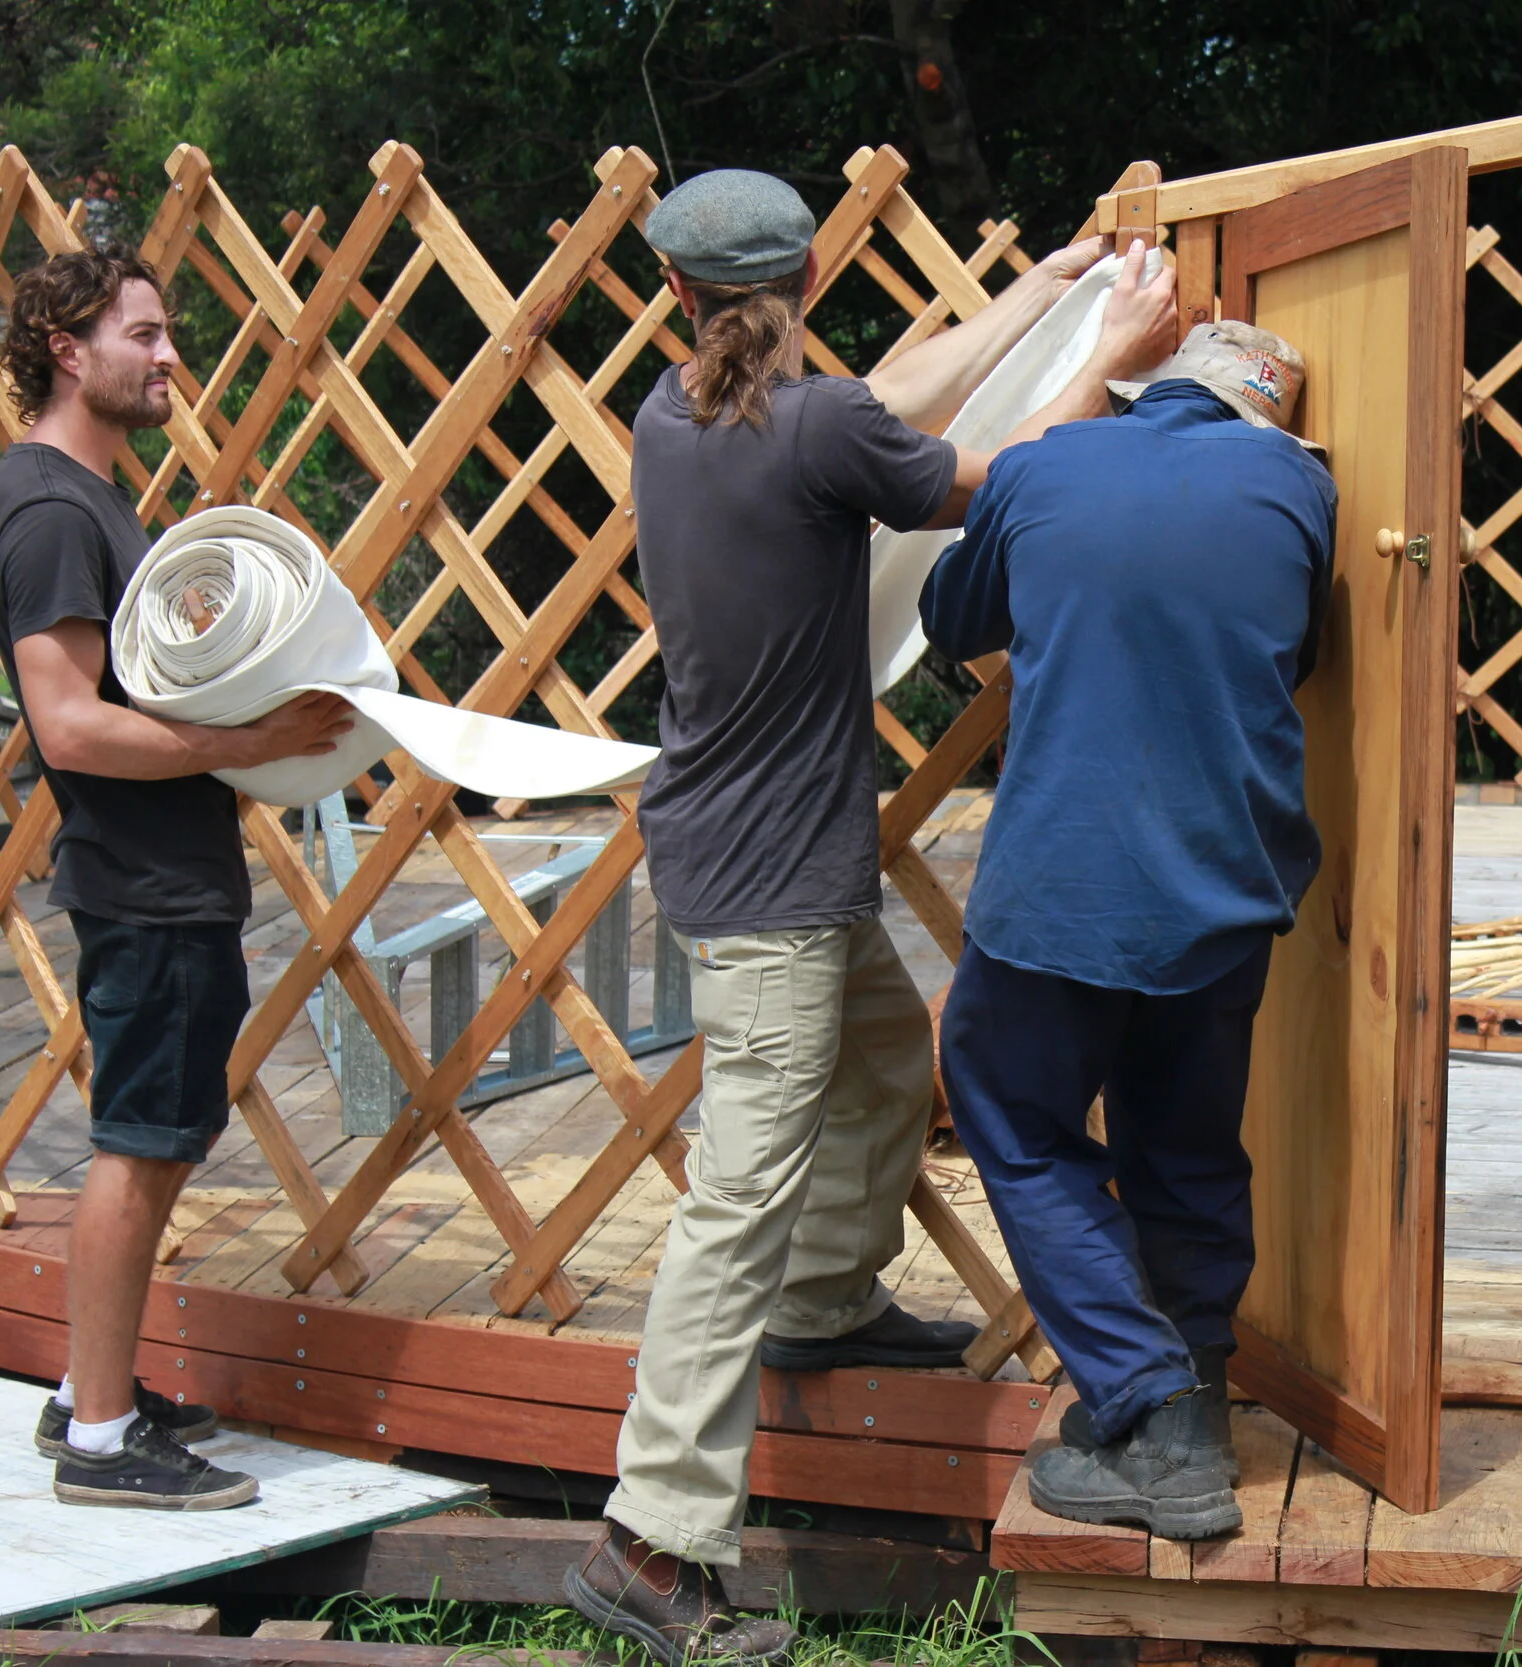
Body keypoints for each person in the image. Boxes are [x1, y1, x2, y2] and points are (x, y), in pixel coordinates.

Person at [567, 168, 1176, 1662]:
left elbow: (887, 391)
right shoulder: (817, 428)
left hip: (755, 852)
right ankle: (652, 1537)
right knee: (735, 1204)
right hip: (773, 876)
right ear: (815, 270)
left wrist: (1041, 291)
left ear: (675, 296)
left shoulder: (679, 413)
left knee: (894, 1053)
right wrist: (1114, 353)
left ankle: (826, 1303)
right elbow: (998, 473)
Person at [920, 321, 1336, 1541]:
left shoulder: (1047, 464)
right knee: (1187, 1141)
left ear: (1141, 391)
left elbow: (953, 617)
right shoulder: (1300, 488)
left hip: (1062, 884)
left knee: (1010, 1108)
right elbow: (1297, 649)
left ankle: (1148, 1404)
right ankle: (1194, 1415)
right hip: (1226, 877)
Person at [0, 247, 356, 1509]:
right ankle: (98, 1438)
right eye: (142, 334)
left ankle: (94, 1392)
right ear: (67, 350)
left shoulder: (91, 497)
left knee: (158, 1139)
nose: (167, 356)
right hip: (140, 887)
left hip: (163, 875)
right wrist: (248, 744)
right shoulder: (46, 510)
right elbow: (71, 727)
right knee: (139, 1150)